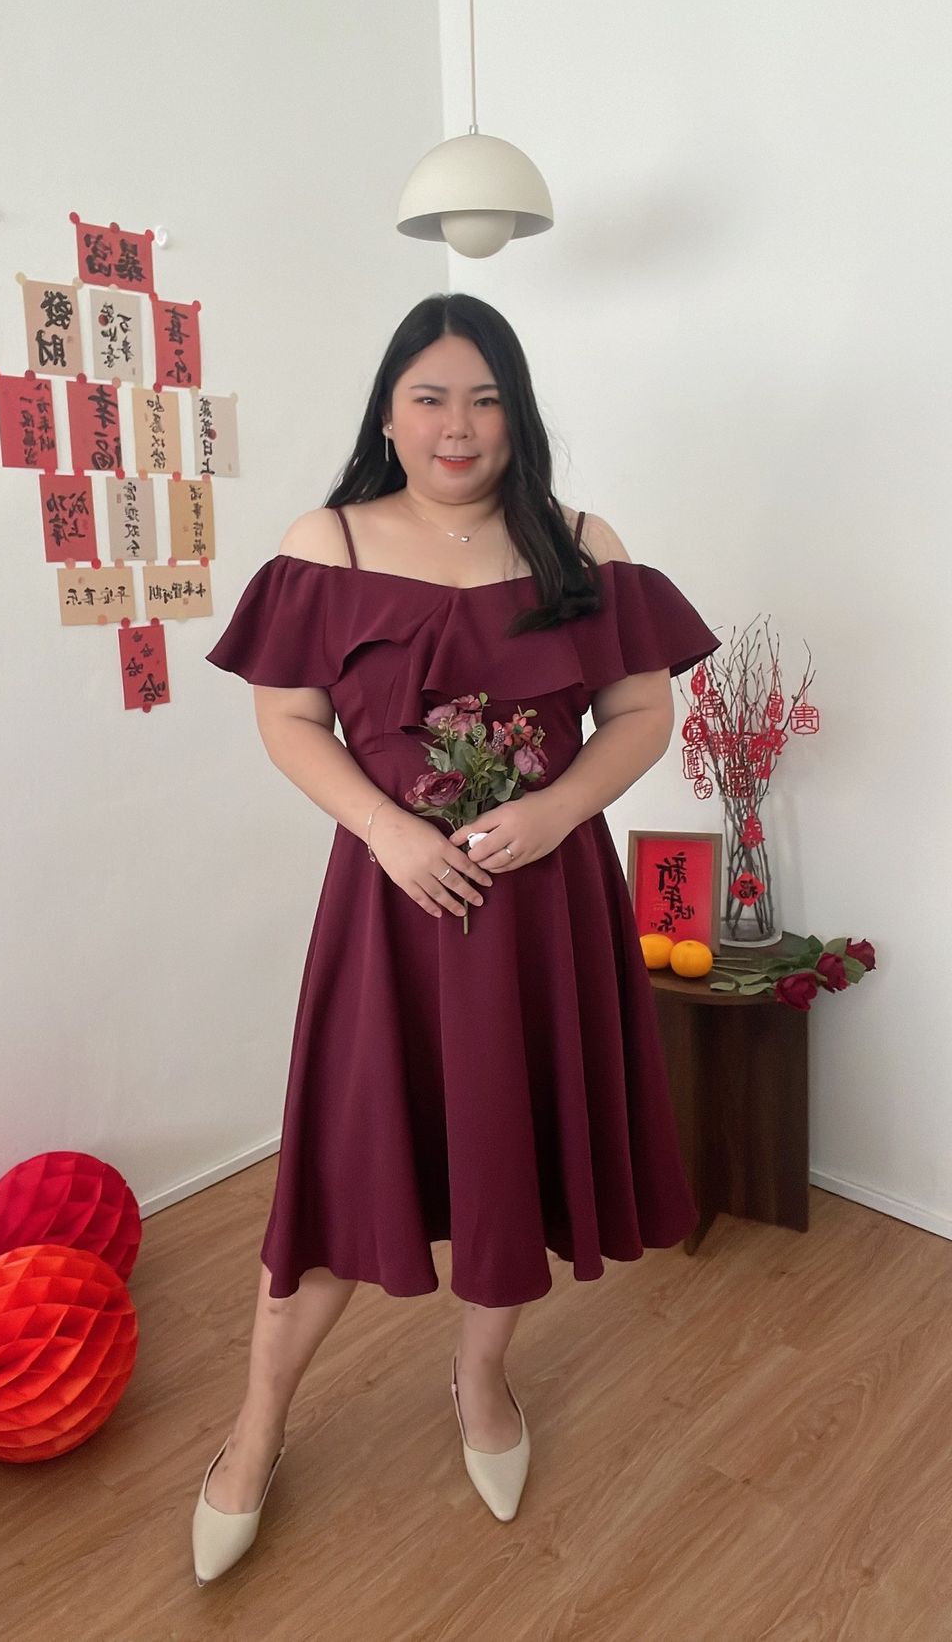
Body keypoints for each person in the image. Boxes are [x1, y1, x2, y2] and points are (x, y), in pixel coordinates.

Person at [192, 292, 720, 1585]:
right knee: (339, 1175)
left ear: (517, 414)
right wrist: (388, 831)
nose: (458, 426)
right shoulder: (328, 541)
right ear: (389, 411)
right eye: (430, 397)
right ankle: (255, 1431)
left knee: (508, 1157)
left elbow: (641, 714)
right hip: (391, 907)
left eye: (486, 399)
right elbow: (288, 720)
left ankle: (482, 1385)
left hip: (542, 908)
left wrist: (552, 813)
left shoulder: (580, 545)